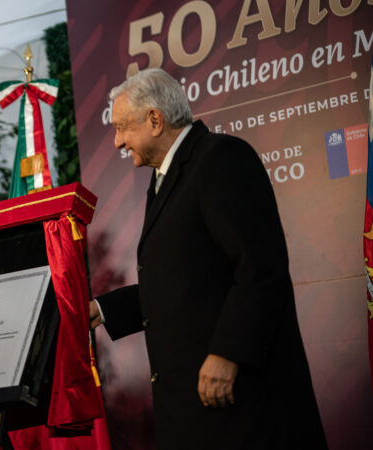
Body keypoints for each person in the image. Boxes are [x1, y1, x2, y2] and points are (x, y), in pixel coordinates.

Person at [89, 68, 327, 449]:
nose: (118, 141)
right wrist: (102, 309)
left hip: (244, 408)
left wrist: (227, 353)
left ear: (154, 119)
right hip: (196, 414)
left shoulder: (221, 158)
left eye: (121, 127)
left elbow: (260, 267)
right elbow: (186, 282)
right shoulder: (163, 181)